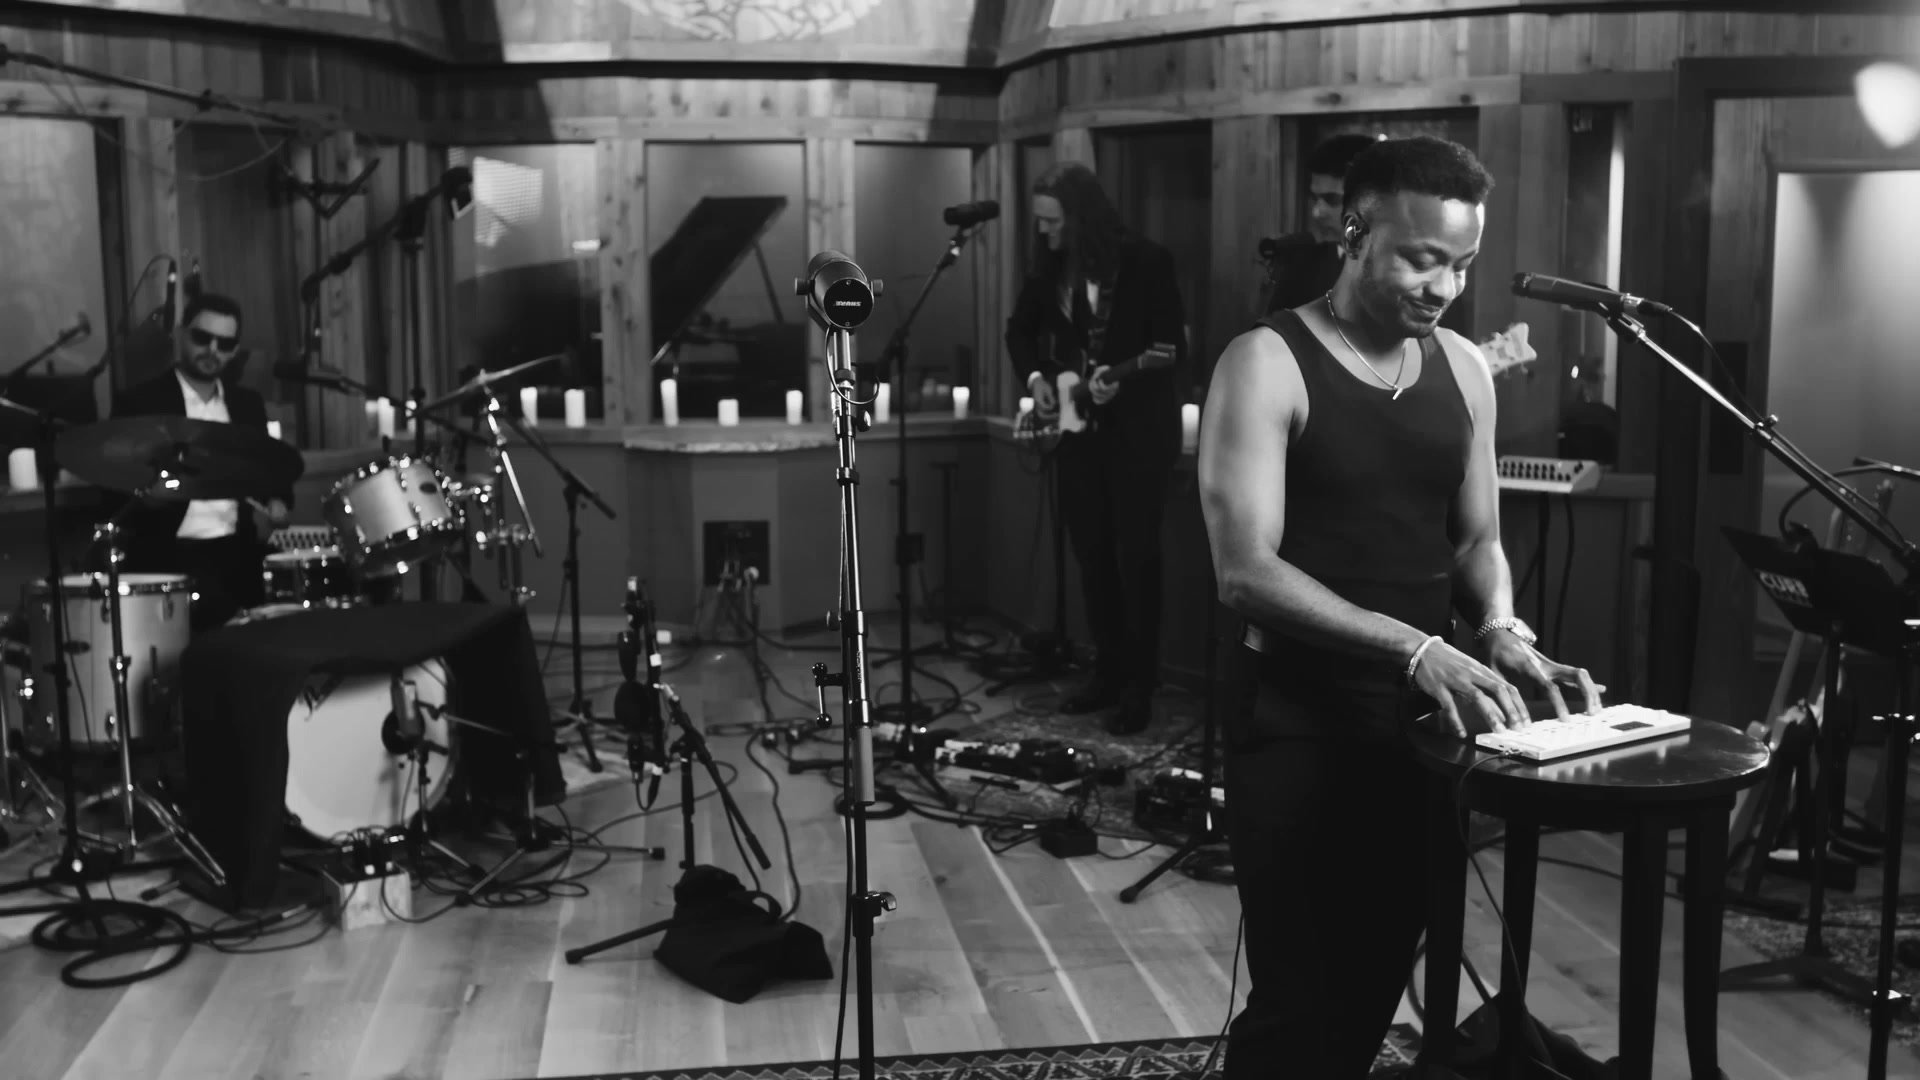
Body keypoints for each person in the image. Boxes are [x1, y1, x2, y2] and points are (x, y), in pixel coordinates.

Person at [1196, 136, 1603, 1076]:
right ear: (1354, 232)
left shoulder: (1462, 366)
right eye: (1422, 259)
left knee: (1376, 979)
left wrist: (1498, 628)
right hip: (1294, 716)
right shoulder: (1267, 362)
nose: (1444, 287)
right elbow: (1244, 570)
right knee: (1299, 998)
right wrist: (1416, 647)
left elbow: (1477, 541)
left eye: (1461, 264)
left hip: (1420, 726)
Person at [1005, 161, 1188, 735]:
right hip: (1077, 436)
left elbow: (1171, 347)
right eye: (1039, 221)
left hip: (1138, 436)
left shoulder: (1147, 262)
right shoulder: (1049, 269)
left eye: (1052, 221)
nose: (1044, 232)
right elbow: (1018, 331)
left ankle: (1139, 687)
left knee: (1136, 560)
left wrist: (1124, 381)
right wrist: (1037, 379)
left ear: (1082, 217)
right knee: (1092, 558)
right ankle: (1105, 673)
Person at [113, 293, 289, 632]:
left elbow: (270, 469)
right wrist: (147, 495)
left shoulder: (247, 405)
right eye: (202, 337)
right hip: (170, 554)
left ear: (234, 351)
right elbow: (114, 484)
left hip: (237, 552)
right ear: (180, 335)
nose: (212, 350)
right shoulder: (141, 403)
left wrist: (277, 501)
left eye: (225, 343)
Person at [1260, 132, 1383, 313]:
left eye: (1332, 199)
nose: (1316, 212)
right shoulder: (1301, 268)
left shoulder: (1404, 269)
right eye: (1314, 198)